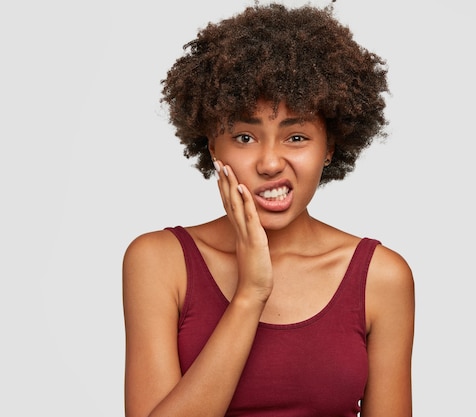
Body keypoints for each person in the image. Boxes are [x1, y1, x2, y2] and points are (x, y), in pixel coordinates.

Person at [122, 2, 415, 416]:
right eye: (244, 137)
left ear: (330, 147)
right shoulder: (159, 261)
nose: (270, 162)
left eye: (296, 137)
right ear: (211, 145)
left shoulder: (380, 277)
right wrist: (251, 293)